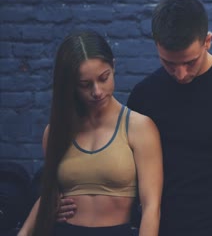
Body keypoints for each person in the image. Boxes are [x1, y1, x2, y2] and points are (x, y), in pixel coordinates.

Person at [58, 0, 212, 236]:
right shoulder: (144, 96)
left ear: (208, 41)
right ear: (156, 44)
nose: (180, 73)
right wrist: (63, 196)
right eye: (169, 63)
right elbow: (119, 170)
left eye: (190, 63)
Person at [18, 30, 163, 236]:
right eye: (85, 84)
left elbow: (151, 208)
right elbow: (48, 195)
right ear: (71, 85)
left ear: (113, 66)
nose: (97, 91)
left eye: (104, 78)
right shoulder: (56, 131)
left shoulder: (139, 127)